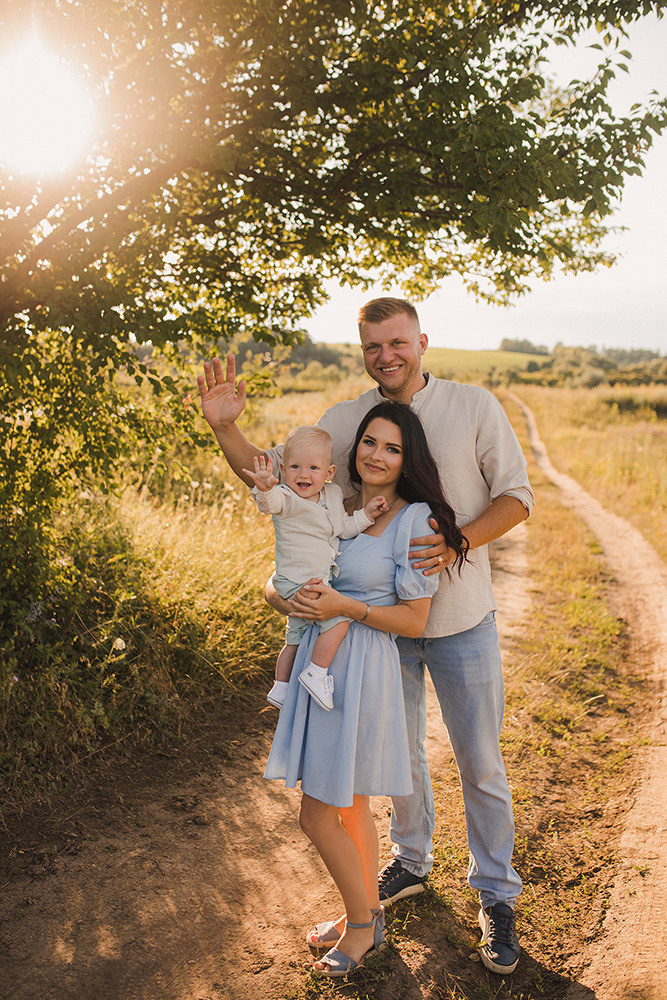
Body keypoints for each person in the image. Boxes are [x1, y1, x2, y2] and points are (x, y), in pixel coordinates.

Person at [197, 296, 534, 976]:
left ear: (421, 342)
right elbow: (285, 479)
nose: (387, 355)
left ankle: (495, 896)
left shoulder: (473, 406)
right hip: (369, 634)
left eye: (397, 342)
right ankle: (408, 865)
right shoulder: (347, 420)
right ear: (362, 352)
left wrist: (457, 542)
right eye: (373, 345)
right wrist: (225, 432)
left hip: (458, 617)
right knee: (398, 764)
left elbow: (517, 496)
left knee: (479, 762)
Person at [264, 400, 467, 976]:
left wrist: (344, 607)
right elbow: (289, 551)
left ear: (409, 460)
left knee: (317, 814)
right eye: (369, 442)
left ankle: (360, 927)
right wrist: (278, 594)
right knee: (349, 805)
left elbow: (413, 621)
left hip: (359, 666)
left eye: (392, 447)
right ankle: (367, 911)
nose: (377, 455)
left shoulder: (417, 519)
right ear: (352, 451)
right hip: (322, 656)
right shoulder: (336, 502)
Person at [242, 424, 387, 711]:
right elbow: (269, 504)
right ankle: (317, 672)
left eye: (313, 468)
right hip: (297, 580)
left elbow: (343, 529)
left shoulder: (332, 496)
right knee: (340, 622)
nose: (303, 474)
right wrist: (263, 488)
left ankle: (281, 687)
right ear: (283, 469)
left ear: (329, 473)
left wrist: (366, 515)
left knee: (294, 636)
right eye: (295, 466)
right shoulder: (285, 496)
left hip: (312, 581)